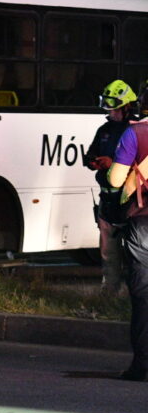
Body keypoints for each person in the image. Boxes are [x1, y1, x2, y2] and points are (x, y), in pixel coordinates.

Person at [85, 80, 139, 297]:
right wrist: (93, 162)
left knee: (136, 251)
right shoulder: (104, 130)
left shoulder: (136, 130)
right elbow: (90, 154)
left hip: (130, 201)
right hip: (107, 201)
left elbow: (140, 166)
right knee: (109, 252)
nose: (111, 112)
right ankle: (110, 293)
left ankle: (136, 294)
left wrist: (114, 163)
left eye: (114, 107)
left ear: (126, 107)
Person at [108, 104, 148, 382]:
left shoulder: (135, 134)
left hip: (142, 221)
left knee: (143, 296)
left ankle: (142, 366)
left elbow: (115, 179)